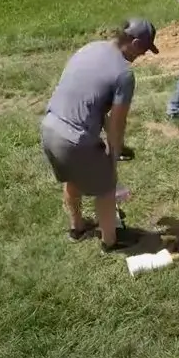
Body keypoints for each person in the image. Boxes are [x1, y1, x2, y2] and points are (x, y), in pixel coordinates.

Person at [41, 18, 158, 253]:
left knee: (72, 177)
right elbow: (117, 122)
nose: (143, 55)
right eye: (144, 50)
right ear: (134, 43)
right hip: (76, 141)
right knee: (106, 187)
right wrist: (113, 157)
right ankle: (110, 241)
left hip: (49, 128)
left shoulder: (90, 48)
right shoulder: (124, 74)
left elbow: (89, 99)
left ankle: (77, 227)